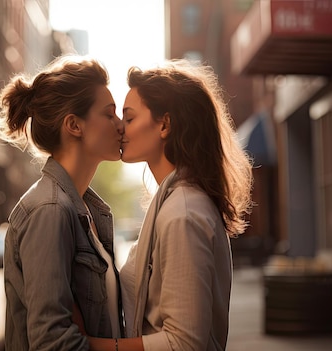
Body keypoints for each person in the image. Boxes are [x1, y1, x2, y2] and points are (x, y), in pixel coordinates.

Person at [87, 59, 253, 351]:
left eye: (129, 118)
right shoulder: (172, 202)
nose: (119, 128)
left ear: (164, 124)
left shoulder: (183, 213)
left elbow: (184, 343)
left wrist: (90, 347)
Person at [0, 55, 125, 350]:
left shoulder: (85, 210)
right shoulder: (50, 211)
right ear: (74, 125)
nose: (121, 125)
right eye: (110, 114)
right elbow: (53, 342)